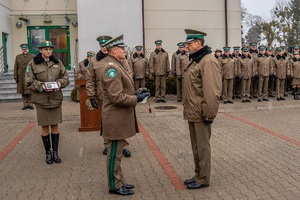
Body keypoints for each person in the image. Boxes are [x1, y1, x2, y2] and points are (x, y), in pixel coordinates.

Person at [100, 35, 150, 195]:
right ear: (114, 51)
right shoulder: (111, 68)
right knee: (114, 153)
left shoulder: (117, 64)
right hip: (115, 118)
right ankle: (114, 185)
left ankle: (119, 180)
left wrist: (135, 93)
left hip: (119, 117)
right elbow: (116, 96)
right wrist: (136, 98)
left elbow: (121, 91)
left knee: (118, 152)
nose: (125, 50)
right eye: (122, 48)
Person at [182, 29, 222, 190]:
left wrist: (209, 114)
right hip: (193, 111)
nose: (187, 46)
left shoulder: (208, 61)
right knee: (196, 146)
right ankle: (198, 174)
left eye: (189, 44)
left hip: (201, 113)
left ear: (198, 43)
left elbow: (212, 92)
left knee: (203, 146)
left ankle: (203, 178)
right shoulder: (197, 60)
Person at [86, 35, 132, 157]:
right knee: (107, 120)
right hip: (103, 96)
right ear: (99, 46)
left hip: (120, 94)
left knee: (122, 120)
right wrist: (91, 96)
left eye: (106, 45)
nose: (104, 48)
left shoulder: (120, 58)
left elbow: (128, 74)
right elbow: (90, 80)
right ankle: (107, 144)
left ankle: (123, 145)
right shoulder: (94, 61)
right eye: (102, 46)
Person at [25, 41, 70, 164]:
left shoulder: (57, 62)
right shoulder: (33, 63)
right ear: (40, 50)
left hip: (55, 99)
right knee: (45, 127)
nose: (48, 51)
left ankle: (55, 152)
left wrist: (60, 83)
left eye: (50, 49)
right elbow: (28, 81)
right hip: (42, 101)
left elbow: (66, 78)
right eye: (45, 49)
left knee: (55, 126)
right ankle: (48, 153)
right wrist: (41, 86)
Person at [14, 43, 35, 110]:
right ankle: (25, 104)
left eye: (25, 49)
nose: (24, 50)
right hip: (21, 76)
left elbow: (34, 67)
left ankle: (30, 104)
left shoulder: (32, 56)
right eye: (23, 49)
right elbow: (15, 67)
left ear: (28, 49)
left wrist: (35, 76)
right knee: (23, 91)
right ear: (21, 50)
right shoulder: (18, 57)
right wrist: (16, 77)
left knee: (30, 91)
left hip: (29, 76)